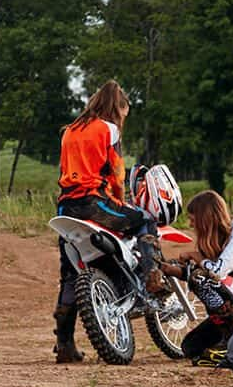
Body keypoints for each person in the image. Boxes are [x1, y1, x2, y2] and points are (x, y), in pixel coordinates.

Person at [50, 81, 161, 363]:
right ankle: (151, 280)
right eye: (125, 113)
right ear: (118, 107)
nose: (124, 118)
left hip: (66, 206)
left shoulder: (69, 131)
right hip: (93, 202)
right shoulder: (108, 129)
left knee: (70, 274)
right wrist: (124, 202)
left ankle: (64, 345)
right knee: (145, 220)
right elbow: (117, 173)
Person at [162, 190, 233, 362]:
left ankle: (231, 337)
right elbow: (204, 272)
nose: (190, 225)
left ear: (205, 220)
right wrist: (166, 268)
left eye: (193, 220)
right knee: (191, 346)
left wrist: (198, 257)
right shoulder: (214, 239)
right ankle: (231, 334)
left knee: (200, 278)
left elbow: (217, 272)